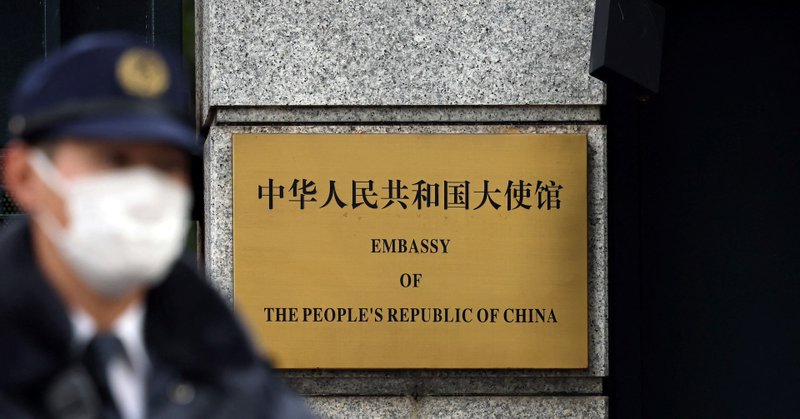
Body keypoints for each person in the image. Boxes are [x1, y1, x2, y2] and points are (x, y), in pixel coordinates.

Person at [0, 33, 314, 419]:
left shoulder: (228, 366)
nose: (145, 190)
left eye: (166, 166)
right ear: (24, 177)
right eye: (114, 159)